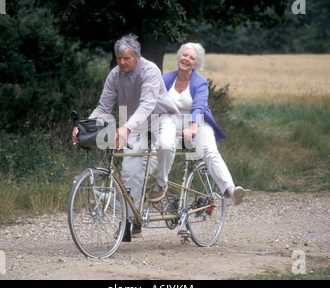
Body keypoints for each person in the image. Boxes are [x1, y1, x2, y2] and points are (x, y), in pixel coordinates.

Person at [72, 34, 180, 237]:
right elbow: (104, 106)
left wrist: (126, 128)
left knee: (166, 144)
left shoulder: (150, 70)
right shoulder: (115, 75)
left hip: (161, 117)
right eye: (118, 58)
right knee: (130, 172)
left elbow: (147, 104)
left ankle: (161, 183)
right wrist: (83, 126)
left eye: (126, 58)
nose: (121, 62)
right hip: (135, 124)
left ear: (137, 57)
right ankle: (132, 222)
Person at [162, 42, 245, 205]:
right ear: (178, 56)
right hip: (172, 123)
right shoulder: (165, 79)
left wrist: (193, 129)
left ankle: (231, 190)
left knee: (208, 150)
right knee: (159, 147)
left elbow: (198, 106)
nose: (186, 59)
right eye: (184, 55)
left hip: (198, 123)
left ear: (196, 64)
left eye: (191, 58)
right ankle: (156, 187)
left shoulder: (200, 83)